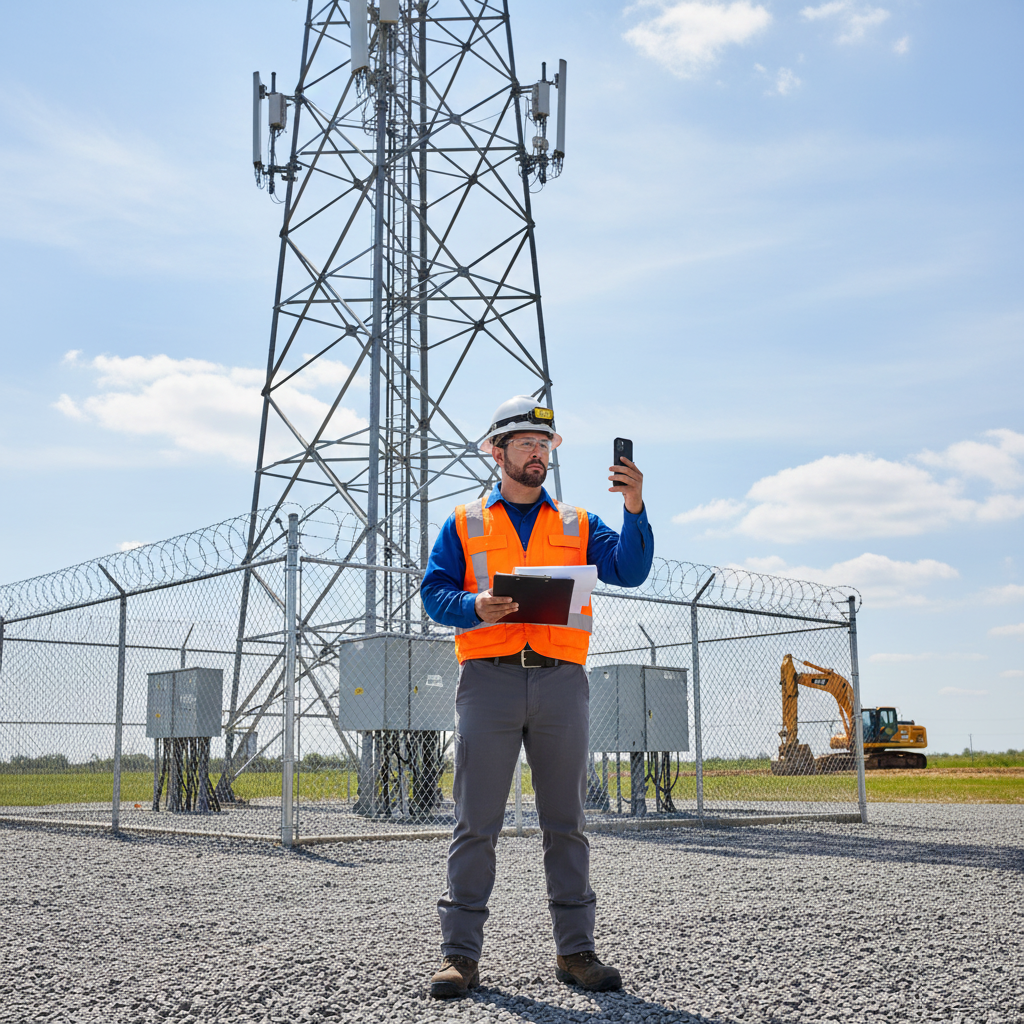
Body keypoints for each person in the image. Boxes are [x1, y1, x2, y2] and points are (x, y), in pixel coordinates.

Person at [419, 395, 654, 998]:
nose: (537, 453)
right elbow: (433, 593)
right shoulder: (465, 521)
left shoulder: (578, 523)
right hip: (489, 681)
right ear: (496, 452)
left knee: (567, 822)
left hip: (559, 682)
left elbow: (630, 570)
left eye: (544, 445)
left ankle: (576, 953)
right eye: (525, 443)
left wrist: (633, 506)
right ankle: (459, 957)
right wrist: (474, 606)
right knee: (476, 821)